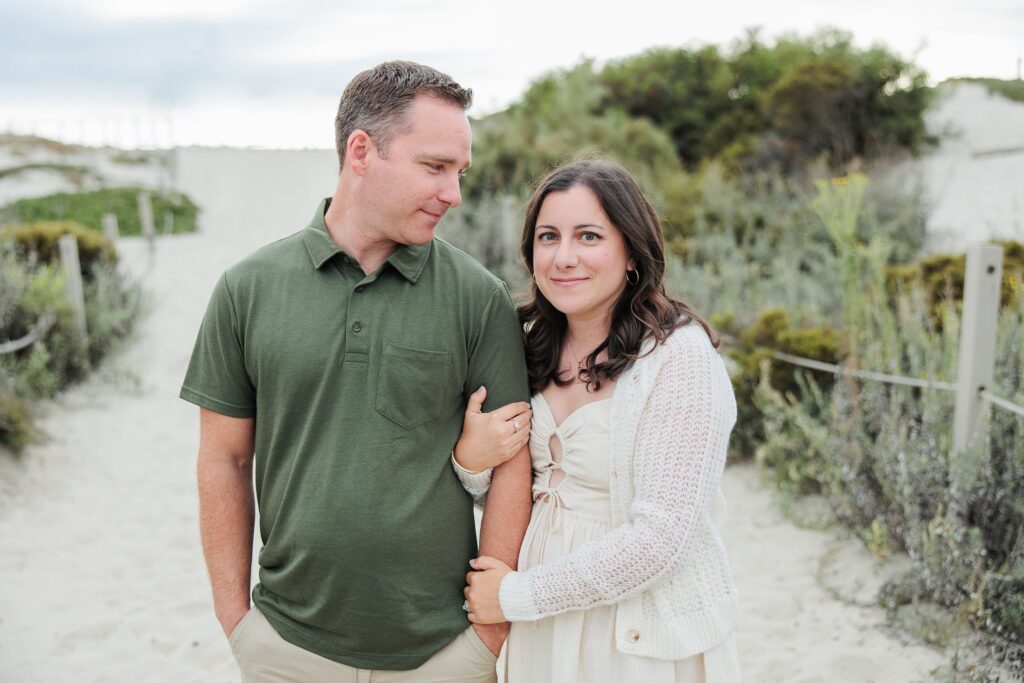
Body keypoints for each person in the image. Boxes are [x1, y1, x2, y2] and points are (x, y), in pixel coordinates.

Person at [180, 61, 534, 683]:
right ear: (362, 151)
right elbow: (224, 460)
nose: (453, 194)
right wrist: (235, 619)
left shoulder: (479, 298)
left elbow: (513, 462)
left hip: (440, 654)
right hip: (285, 648)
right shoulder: (247, 289)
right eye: (434, 167)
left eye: (459, 172)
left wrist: (488, 635)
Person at [455, 160, 742, 682]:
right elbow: (520, 494)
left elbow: (662, 538)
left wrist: (519, 595)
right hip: (541, 629)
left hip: (636, 635)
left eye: (588, 236)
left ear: (632, 251)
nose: (564, 257)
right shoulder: (527, 346)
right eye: (548, 237)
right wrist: (472, 464)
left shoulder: (679, 359)